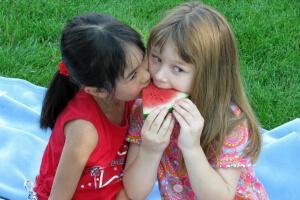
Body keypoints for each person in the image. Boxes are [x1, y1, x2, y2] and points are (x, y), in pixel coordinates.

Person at [123, 2, 268, 200]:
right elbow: (134, 192)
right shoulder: (144, 111)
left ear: (208, 75)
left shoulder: (230, 122)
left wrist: (192, 149)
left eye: (178, 69)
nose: (159, 76)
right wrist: (150, 150)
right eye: (156, 58)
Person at [33, 13, 150, 200]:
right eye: (133, 75)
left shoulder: (130, 96)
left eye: (144, 60)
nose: (147, 76)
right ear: (98, 91)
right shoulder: (84, 131)